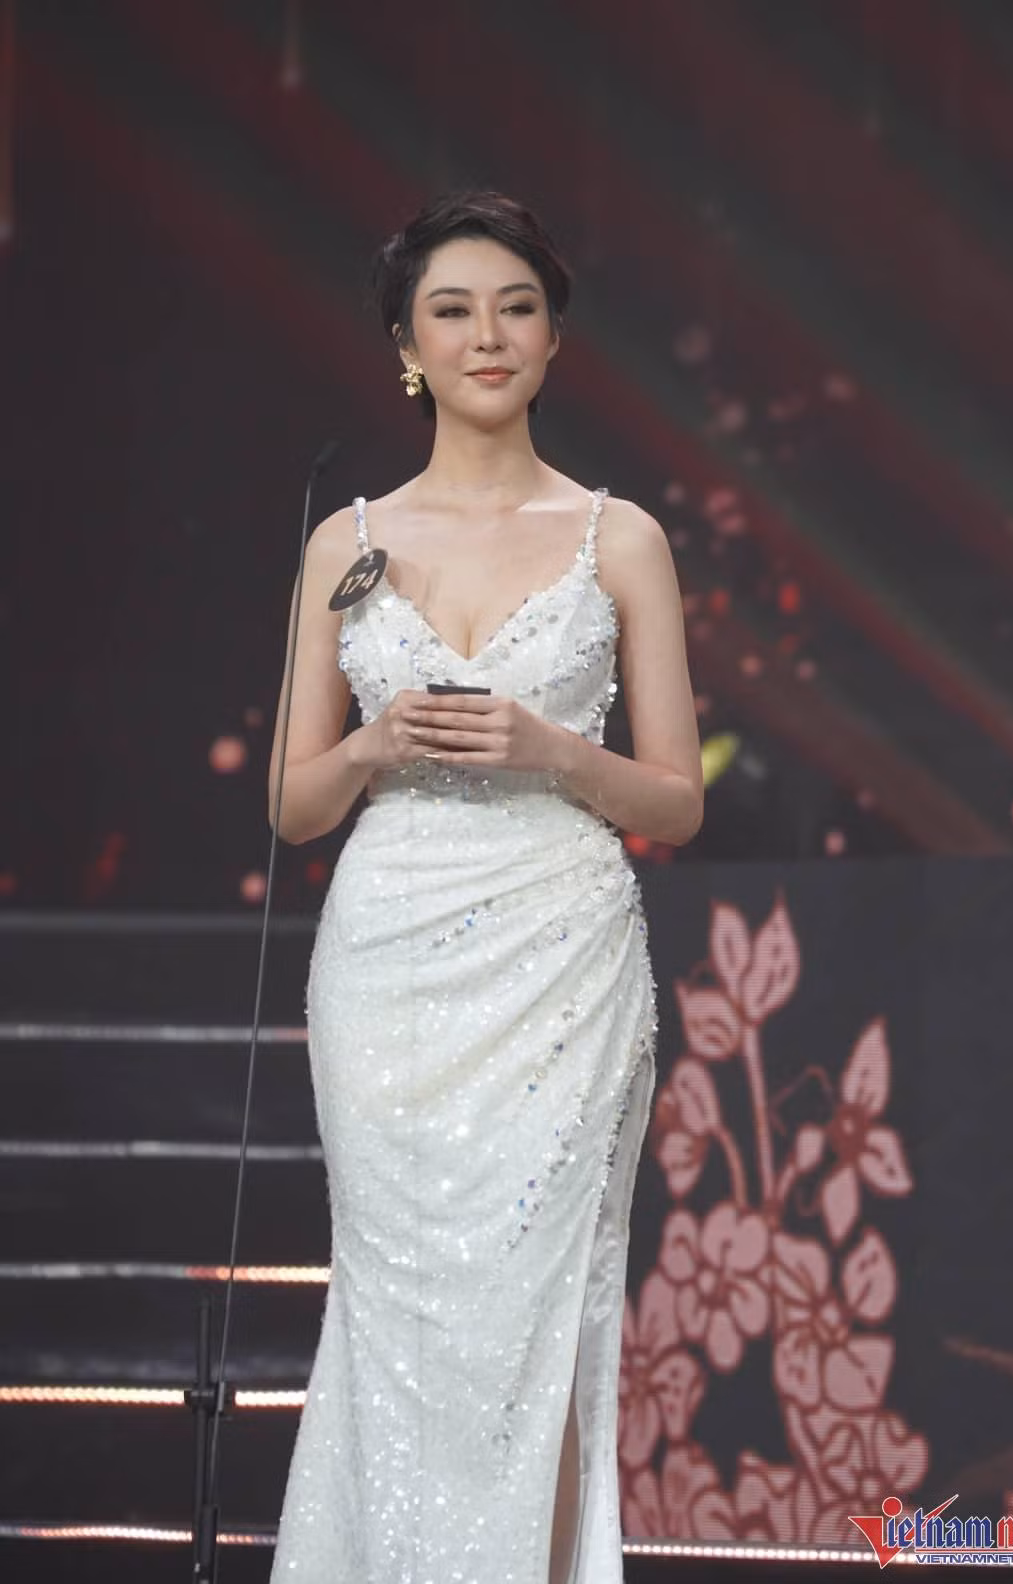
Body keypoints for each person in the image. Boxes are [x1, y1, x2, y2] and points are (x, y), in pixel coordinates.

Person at [267, 190, 703, 1584]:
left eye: (516, 308)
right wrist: (373, 744)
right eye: (451, 311)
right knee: (400, 1311)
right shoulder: (345, 543)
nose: (487, 335)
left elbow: (676, 800)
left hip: (560, 958)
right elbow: (293, 808)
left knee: (541, 1310)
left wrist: (550, 750)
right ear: (409, 346)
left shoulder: (618, 537)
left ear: (554, 338)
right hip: (388, 967)